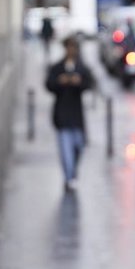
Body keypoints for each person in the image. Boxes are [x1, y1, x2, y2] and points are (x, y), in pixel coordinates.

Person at [45, 36, 94, 192]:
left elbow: (89, 83)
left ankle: (72, 173)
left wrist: (78, 82)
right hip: (62, 115)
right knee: (66, 150)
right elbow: (49, 84)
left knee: (78, 146)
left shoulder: (81, 67)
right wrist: (61, 81)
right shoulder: (58, 67)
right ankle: (69, 178)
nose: (71, 50)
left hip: (77, 116)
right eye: (69, 47)